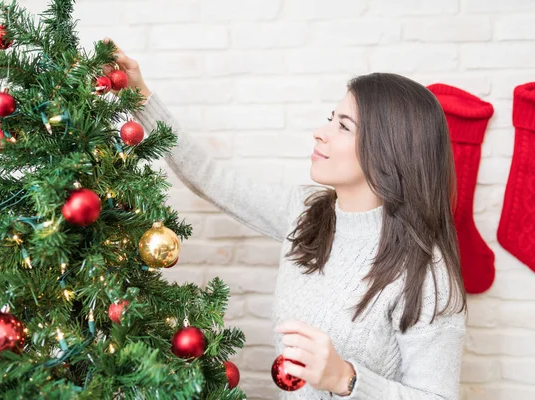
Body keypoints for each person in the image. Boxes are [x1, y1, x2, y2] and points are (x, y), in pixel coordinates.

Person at [103, 38, 468, 399]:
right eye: (330, 119)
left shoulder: (427, 272)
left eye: (343, 126)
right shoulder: (306, 211)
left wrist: (347, 379)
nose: (320, 133)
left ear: (388, 148)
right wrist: (140, 96)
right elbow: (211, 178)